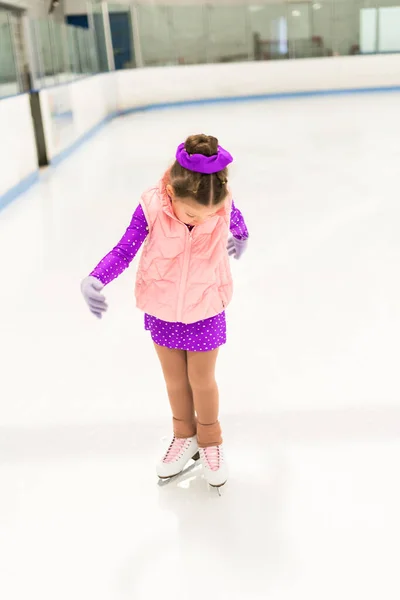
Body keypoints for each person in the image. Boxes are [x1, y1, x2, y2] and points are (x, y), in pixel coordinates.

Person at [81, 134, 249, 489]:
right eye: (192, 213)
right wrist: (96, 278)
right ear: (172, 194)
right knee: (175, 380)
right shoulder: (152, 206)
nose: (201, 218)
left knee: (202, 380)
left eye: (209, 214)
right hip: (162, 307)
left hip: (206, 306)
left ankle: (210, 441)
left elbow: (237, 224)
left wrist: (241, 236)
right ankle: (183, 435)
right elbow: (125, 249)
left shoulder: (220, 203)